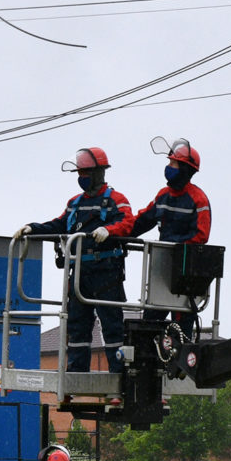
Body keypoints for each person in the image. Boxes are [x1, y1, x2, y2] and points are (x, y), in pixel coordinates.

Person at [26, 146, 133, 376]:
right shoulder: (75, 204)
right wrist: (32, 228)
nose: (81, 178)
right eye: (79, 174)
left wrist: (110, 229)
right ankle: (76, 373)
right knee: (77, 324)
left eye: (85, 173)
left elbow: (128, 223)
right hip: (80, 272)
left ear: (99, 172)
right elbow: (58, 224)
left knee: (111, 324)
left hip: (106, 272)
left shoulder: (116, 200)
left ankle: (118, 374)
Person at [102, 141, 212, 247]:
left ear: (185, 169)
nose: (169, 167)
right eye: (169, 162)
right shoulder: (163, 195)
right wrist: (113, 233)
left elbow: (201, 236)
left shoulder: (198, 199)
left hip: (185, 261)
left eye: (173, 163)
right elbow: (142, 221)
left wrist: (173, 246)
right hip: (163, 258)